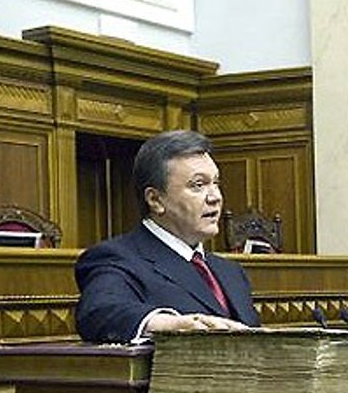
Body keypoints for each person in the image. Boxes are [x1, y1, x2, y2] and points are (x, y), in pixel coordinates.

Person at [75, 130, 259, 344]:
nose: (215, 197)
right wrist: (170, 325)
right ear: (155, 200)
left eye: (216, 183)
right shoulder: (115, 258)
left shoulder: (231, 272)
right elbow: (99, 311)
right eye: (198, 185)